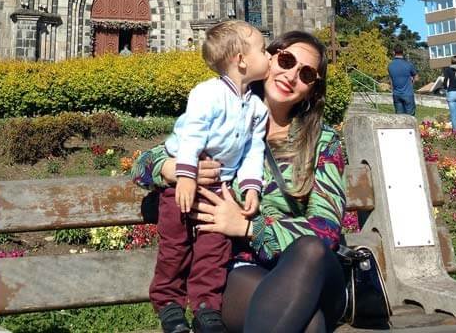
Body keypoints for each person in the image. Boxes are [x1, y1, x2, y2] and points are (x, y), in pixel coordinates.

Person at [133, 30, 346, 333]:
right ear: (266, 59)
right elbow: (142, 166)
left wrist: (248, 227)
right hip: (242, 268)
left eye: (307, 73)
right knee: (309, 325)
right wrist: (169, 168)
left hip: (313, 272)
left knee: (310, 250)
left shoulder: (323, 142)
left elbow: (326, 231)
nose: (290, 76)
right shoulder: (224, 114)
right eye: (286, 60)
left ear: (312, 90)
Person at [148, 20, 272, 333]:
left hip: (221, 188)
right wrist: (185, 175)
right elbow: (191, 135)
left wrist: (251, 186)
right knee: (174, 247)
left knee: (213, 251)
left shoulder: (257, 108)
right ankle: (170, 306)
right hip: (183, 182)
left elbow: (252, 151)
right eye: (264, 49)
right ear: (241, 59)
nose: (269, 55)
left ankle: (206, 308)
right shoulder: (207, 93)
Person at [387, 47, 417, 115]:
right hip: (408, 94)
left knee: (399, 118)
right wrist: (412, 84)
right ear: (403, 53)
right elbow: (416, 77)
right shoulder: (408, 64)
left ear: (394, 53)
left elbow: (391, 80)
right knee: (410, 118)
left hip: (396, 94)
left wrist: (392, 90)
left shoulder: (390, 65)